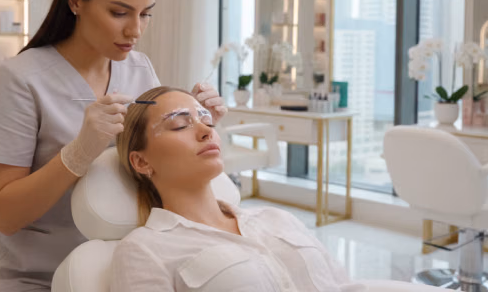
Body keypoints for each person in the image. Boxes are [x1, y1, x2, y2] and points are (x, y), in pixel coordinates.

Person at [0, 0, 227, 291]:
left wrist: (192, 124)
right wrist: (79, 153)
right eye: (119, 12)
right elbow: (3, 214)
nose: (135, 30)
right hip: (34, 276)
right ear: (76, 0)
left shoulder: (140, 70)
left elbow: (155, 170)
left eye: (145, 15)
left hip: (126, 265)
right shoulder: (18, 79)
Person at [111, 86, 365, 292]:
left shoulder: (274, 218)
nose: (206, 131)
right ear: (142, 161)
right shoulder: (145, 250)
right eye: (179, 124)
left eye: (207, 120)